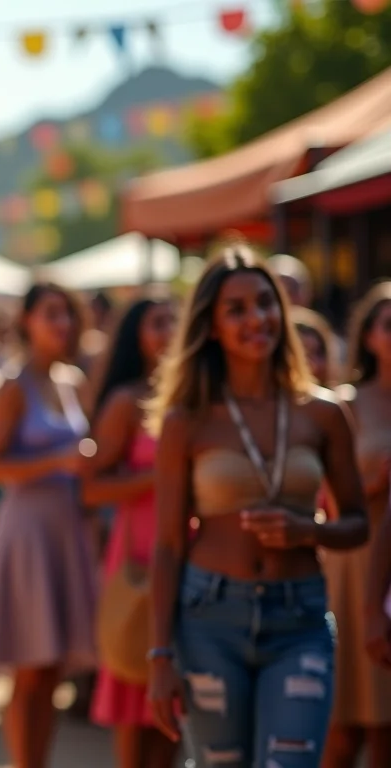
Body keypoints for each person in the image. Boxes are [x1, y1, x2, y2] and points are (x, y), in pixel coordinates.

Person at [146, 240, 369, 766]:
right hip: (209, 620)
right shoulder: (188, 419)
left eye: (266, 304)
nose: (257, 319)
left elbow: (357, 524)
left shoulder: (324, 413)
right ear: (212, 325)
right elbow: (169, 543)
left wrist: (307, 531)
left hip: (300, 620)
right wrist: (159, 654)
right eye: (237, 309)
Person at [0, 282, 98, 768]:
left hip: (64, 526)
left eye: (68, 314)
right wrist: (58, 460)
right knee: (31, 668)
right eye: (51, 313)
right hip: (27, 530)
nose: (62, 324)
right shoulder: (14, 385)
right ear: (28, 321)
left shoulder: (72, 379)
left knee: (52, 670)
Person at [81, 295, 177, 768]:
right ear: (137, 335)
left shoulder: (202, 397)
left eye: (178, 320)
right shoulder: (126, 401)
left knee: (177, 712)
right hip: (138, 558)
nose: (171, 330)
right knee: (134, 701)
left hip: (196, 559)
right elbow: (91, 488)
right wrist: (157, 476)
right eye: (159, 322)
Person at [320, 284, 391, 768]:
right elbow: (326, 498)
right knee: (343, 731)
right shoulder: (346, 403)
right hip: (356, 565)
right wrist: (378, 481)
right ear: (368, 337)